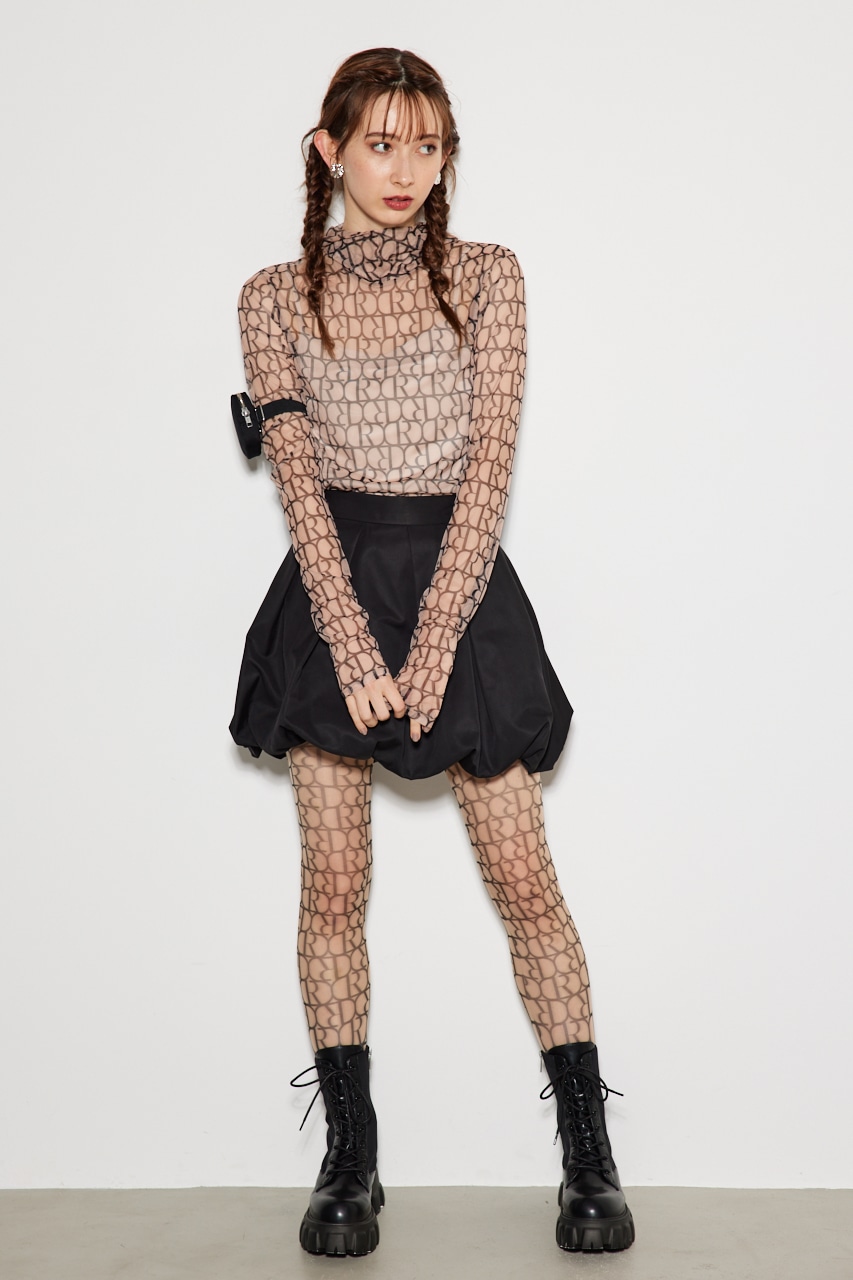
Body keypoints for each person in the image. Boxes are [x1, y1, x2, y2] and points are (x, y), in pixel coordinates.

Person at [229, 47, 635, 1258]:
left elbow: (488, 469)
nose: (405, 168)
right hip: (331, 594)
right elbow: (298, 487)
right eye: (380, 142)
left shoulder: (487, 276)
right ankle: (349, 1156)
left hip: (462, 584)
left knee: (523, 877)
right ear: (329, 150)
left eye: (428, 144)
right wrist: (354, 647)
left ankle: (588, 1151)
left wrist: (440, 634)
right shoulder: (270, 298)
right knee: (332, 884)